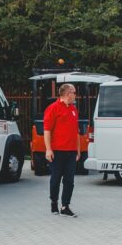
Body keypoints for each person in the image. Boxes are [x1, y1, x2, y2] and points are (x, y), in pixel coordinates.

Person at [44, 83, 79, 217]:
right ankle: (54, 202)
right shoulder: (53, 108)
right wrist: (48, 150)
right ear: (67, 94)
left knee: (69, 180)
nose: (75, 95)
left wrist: (78, 149)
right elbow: (47, 131)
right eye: (74, 92)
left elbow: (75, 131)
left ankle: (65, 206)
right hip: (57, 151)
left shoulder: (74, 109)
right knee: (55, 179)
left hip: (71, 151)